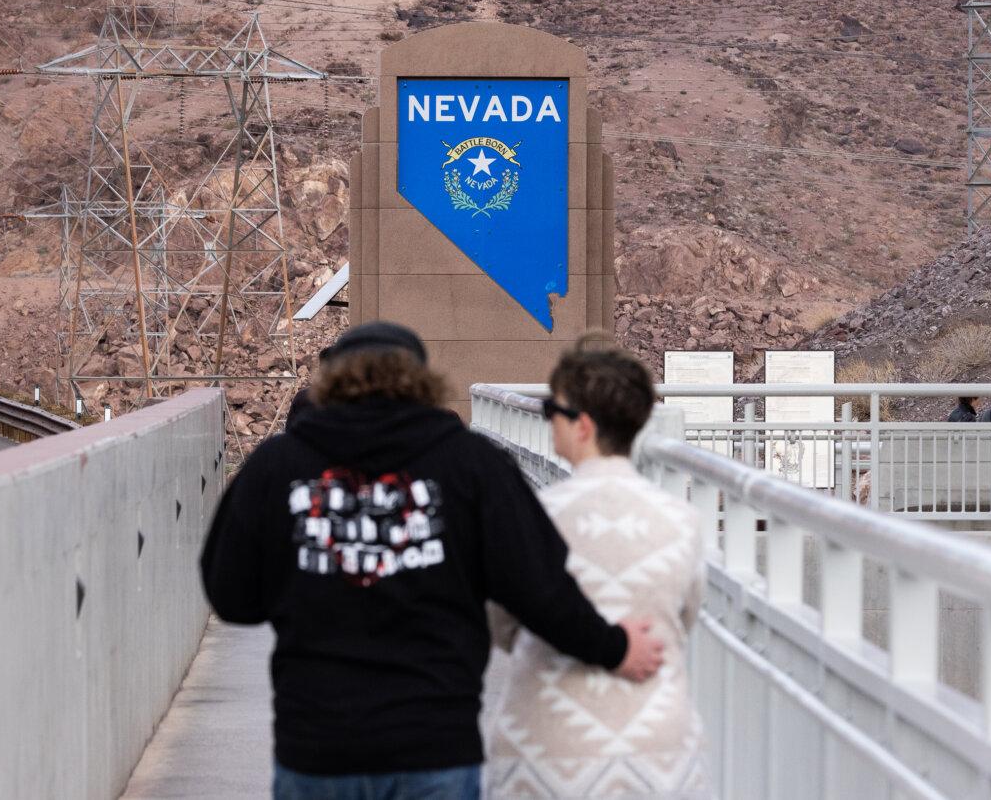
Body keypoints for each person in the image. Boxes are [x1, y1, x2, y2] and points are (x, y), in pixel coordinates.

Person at [200, 321, 665, 800]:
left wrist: (312, 578)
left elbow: (230, 594)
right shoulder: (470, 464)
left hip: (319, 746)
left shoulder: (279, 465)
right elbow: (540, 588)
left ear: (332, 381)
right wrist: (613, 647)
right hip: (434, 746)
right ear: (421, 381)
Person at [485, 334, 712, 799]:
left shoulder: (534, 515)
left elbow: (500, 622)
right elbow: (684, 619)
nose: (549, 422)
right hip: (658, 757)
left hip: (545, 751)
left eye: (554, 411)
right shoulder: (683, 521)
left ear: (582, 426)